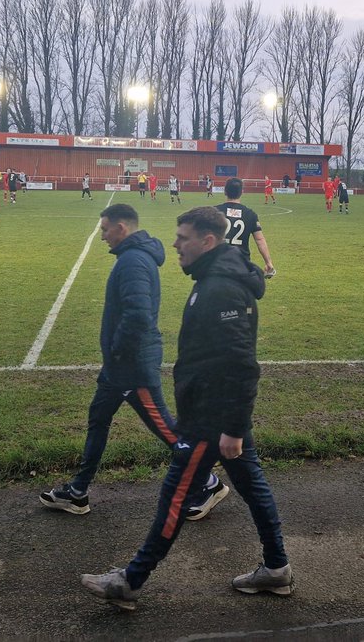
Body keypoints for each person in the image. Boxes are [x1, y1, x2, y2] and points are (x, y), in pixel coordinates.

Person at [81, 207, 293, 610]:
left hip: (211, 418)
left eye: (182, 237)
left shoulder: (221, 289)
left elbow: (242, 365)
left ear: (207, 241)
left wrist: (231, 428)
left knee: (175, 495)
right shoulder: (212, 278)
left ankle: (131, 580)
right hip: (215, 410)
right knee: (252, 487)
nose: (175, 244)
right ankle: (277, 569)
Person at [39, 204, 230, 519]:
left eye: (104, 230)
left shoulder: (133, 261)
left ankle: (207, 483)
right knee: (98, 420)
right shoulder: (132, 258)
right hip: (117, 369)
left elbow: (139, 315)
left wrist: (116, 349)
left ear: (121, 228)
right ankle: (78, 491)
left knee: (168, 432)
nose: (102, 237)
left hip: (132, 368)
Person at [216, 177, 276, 278]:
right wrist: (268, 262)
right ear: (242, 192)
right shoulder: (250, 214)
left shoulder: (214, 212)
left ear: (225, 191)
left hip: (218, 263)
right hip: (241, 264)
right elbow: (260, 239)